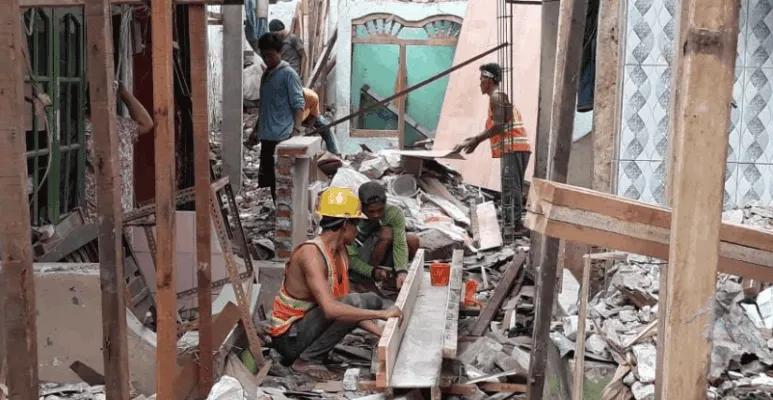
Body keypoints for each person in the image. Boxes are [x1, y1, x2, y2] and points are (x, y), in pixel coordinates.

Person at [269, 187, 401, 380]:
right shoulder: (311, 254)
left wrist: (381, 332)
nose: (358, 232)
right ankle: (306, 359)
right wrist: (381, 314)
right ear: (345, 224)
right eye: (356, 225)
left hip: (307, 327)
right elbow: (333, 310)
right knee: (360, 302)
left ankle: (315, 351)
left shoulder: (340, 253)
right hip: (289, 337)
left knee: (370, 300)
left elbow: (346, 310)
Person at [454, 63, 531, 239]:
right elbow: (494, 127)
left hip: (514, 147)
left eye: (481, 79)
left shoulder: (496, 97)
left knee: (511, 187)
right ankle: (514, 225)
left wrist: (475, 141)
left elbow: (498, 126)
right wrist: (468, 142)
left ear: (489, 80)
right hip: (514, 147)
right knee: (512, 186)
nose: (479, 83)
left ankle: (515, 227)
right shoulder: (498, 98)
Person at [84, 81, 153, 224]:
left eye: (111, 97)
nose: (109, 102)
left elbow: (147, 123)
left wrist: (124, 92)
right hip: (97, 218)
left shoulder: (121, 126)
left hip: (124, 215)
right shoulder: (84, 129)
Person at [252, 32, 305, 203]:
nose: (266, 59)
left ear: (280, 51)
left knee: (282, 183)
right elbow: (264, 107)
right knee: (272, 183)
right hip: (267, 138)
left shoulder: (289, 74)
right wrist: (255, 131)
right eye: (264, 55)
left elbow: (298, 105)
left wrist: (296, 132)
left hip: (282, 138)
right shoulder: (267, 74)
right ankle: (280, 219)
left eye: (270, 55)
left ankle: (286, 223)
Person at [347, 181, 420, 290]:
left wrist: (402, 271)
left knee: (412, 239)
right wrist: (372, 272)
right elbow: (350, 258)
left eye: (380, 210)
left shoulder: (394, 213)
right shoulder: (352, 218)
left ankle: (390, 277)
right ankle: (366, 279)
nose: (376, 215)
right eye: (371, 211)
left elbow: (400, 243)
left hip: (380, 251)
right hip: (361, 257)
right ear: (362, 207)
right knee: (387, 234)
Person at [301, 88, 340, 155]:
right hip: (291, 117)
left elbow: (313, 115)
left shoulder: (311, 96)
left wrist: (310, 127)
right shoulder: (284, 97)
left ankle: (335, 155)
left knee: (326, 128)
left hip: (308, 114)